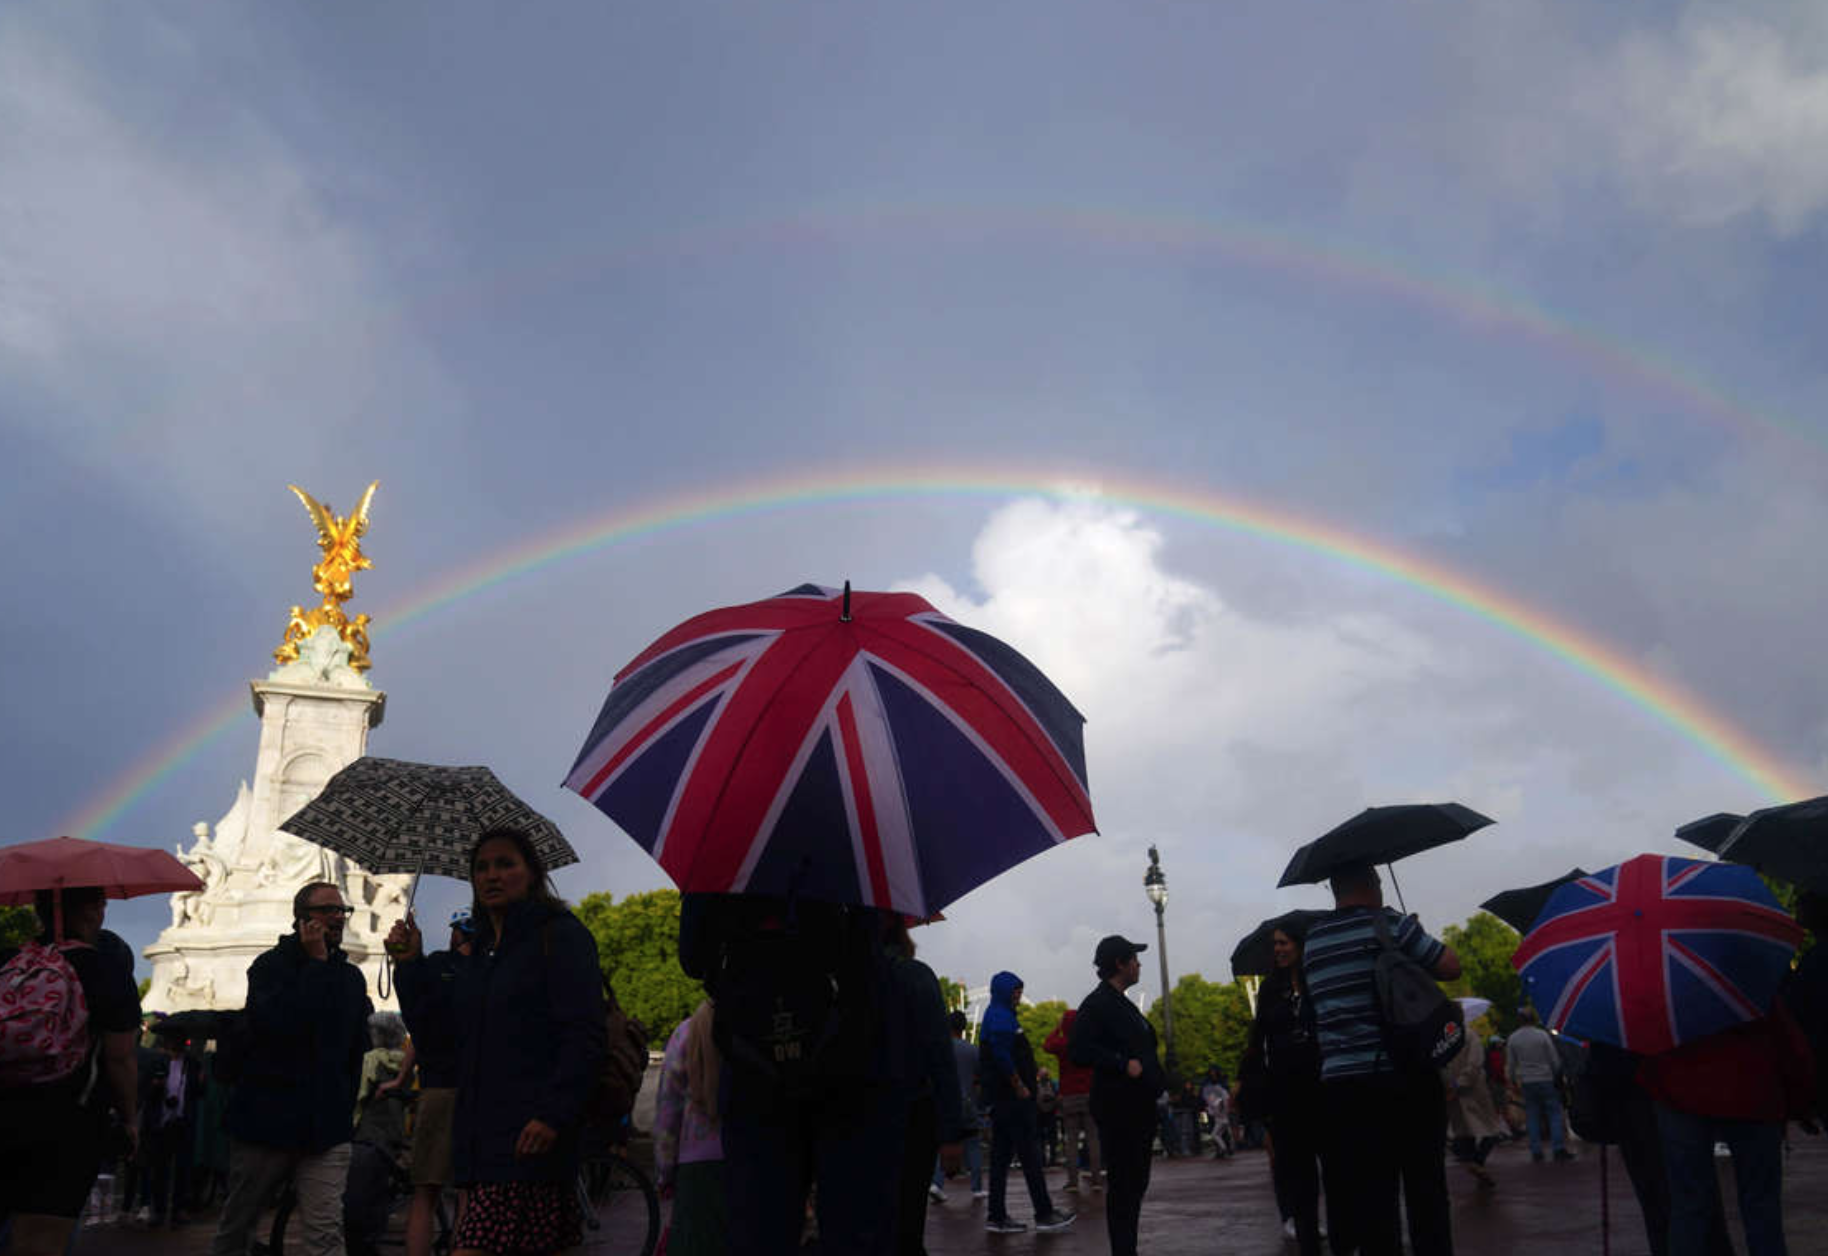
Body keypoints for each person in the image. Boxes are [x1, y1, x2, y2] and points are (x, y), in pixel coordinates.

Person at [391, 826, 607, 1256]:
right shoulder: (484, 955)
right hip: (483, 1143)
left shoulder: (560, 935)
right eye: (482, 867)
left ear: (532, 873)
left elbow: (584, 1032)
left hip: (530, 1139)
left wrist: (553, 1113)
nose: (492, 875)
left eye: (506, 864)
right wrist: (411, 964)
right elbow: (438, 1034)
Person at [1303, 864, 1460, 1256]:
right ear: (1371, 883)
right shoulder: (1390, 924)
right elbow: (1450, 966)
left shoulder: (1313, 941)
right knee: (1426, 1187)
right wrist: (1408, 932)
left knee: (1372, 1195)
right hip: (1402, 1076)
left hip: (1344, 1085)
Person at [211, 880, 372, 1256]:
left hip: (326, 1129)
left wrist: (343, 1107)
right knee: (239, 1225)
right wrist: (315, 964)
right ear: (302, 918)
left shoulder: (350, 977)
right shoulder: (269, 967)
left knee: (327, 1232)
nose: (338, 917)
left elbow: (353, 1049)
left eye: (342, 910)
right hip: (266, 1124)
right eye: (327, 910)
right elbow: (280, 1027)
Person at [0, 886, 142, 1256]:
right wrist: (130, 1118)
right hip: (67, 1120)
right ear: (93, 910)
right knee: (41, 1237)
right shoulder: (106, 970)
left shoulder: (7, 960)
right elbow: (120, 1058)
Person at [1638, 1002, 1816, 1256]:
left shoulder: (1668, 996)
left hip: (1680, 1092)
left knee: (1689, 1205)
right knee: (1761, 1206)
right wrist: (1799, 1103)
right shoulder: (1749, 988)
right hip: (1752, 1092)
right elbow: (1792, 1049)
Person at [1069, 935, 1165, 1256]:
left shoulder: (1119, 1002)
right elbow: (1078, 1049)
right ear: (1119, 964)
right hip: (1120, 1109)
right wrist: (1123, 1064)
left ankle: (1127, 1248)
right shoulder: (1098, 1003)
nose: (1139, 964)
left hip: (1137, 1108)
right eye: (1134, 959)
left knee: (1134, 1184)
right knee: (1125, 1186)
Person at [1237, 922, 1324, 1255]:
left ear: (1300, 945)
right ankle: (1307, 1238)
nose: (1278, 949)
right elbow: (1257, 1039)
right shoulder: (1271, 989)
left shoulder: (1316, 981)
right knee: (1298, 1174)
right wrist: (1245, 1079)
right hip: (1286, 1089)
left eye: (1284, 943)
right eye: (1275, 944)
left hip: (1321, 1082)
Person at [393, 908, 474, 1256]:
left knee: (428, 1191)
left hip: (442, 1088)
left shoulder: (440, 967)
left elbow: (417, 1027)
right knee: (465, 1192)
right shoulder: (481, 970)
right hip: (469, 1089)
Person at [881, 916, 964, 1256]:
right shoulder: (914, 975)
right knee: (907, 1224)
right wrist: (951, 1133)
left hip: (853, 1118)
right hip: (910, 1114)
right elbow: (940, 1059)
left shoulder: (839, 977)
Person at [978, 971, 1074, 1235]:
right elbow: (1001, 1053)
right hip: (1013, 1100)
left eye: (1020, 991)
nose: (1019, 996)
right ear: (1005, 992)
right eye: (1015, 991)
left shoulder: (997, 1014)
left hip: (1003, 1100)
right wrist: (1019, 1084)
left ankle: (996, 1216)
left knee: (1000, 1158)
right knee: (1030, 1156)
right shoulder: (1001, 1018)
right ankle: (1043, 1212)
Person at [653, 1001, 726, 1256]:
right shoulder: (752, 1028)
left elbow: (667, 1110)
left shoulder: (686, 1033)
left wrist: (664, 1171)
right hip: (750, 1161)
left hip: (696, 1169)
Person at [142, 1034, 206, 1226]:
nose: (176, 1044)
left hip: (183, 1120)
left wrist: (202, 1082)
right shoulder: (157, 1061)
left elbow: (200, 1093)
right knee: (160, 1168)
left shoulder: (193, 1064)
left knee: (183, 1167)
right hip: (162, 1121)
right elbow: (146, 1090)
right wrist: (155, 1086)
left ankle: (178, 1209)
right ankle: (159, 1210)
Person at [1043, 1010, 1100, 1194]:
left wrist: (1058, 1028)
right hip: (1089, 1094)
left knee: (1071, 1141)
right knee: (1093, 1139)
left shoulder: (1062, 1044)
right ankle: (1097, 1178)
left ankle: (1073, 1181)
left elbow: (1047, 1045)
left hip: (1069, 1096)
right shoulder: (1087, 1043)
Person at [1506, 1008, 1573, 1162]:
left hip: (1527, 1081)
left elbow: (1511, 1063)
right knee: (1554, 1114)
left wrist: (1511, 1080)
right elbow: (1554, 1059)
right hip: (1545, 1078)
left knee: (1532, 1115)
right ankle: (1558, 1148)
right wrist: (1557, 1074)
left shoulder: (1513, 1038)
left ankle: (1536, 1150)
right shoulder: (1542, 1035)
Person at [934, 1010, 986, 1201]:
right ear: (964, 1028)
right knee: (973, 1145)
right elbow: (980, 1079)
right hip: (968, 1104)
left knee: (941, 1144)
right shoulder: (973, 1050)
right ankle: (977, 1187)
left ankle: (936, 1182)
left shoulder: (940, 1049)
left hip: (944, 1104)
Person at [1441, 1025, 1500, 1188]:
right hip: (1475, 1089)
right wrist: (1462, 1082)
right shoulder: (1469, 1034)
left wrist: (1450, 1086)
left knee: (1464, 1130)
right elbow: (1475, 1062)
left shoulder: (1441, 1038)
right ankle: (1478, 1162)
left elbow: (1441, 1065)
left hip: (1452, 1091)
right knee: (1492, 1128)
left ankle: (1474, 1163)